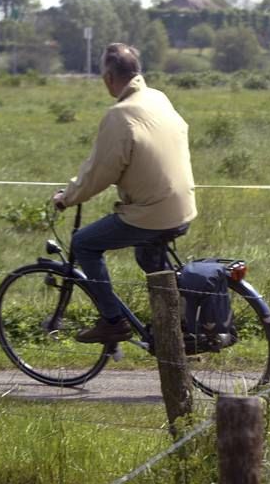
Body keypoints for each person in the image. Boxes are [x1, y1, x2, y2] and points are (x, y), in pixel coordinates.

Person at [53, 43, 197, 343]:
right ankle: (176, 325)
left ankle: (112, 322)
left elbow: (99, 172)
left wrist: (67, 197)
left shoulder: (120, 114)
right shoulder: (158, 97)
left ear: (108, 77)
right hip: (183, 206)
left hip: (151, 213)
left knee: (84, 244)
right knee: (149, 257)